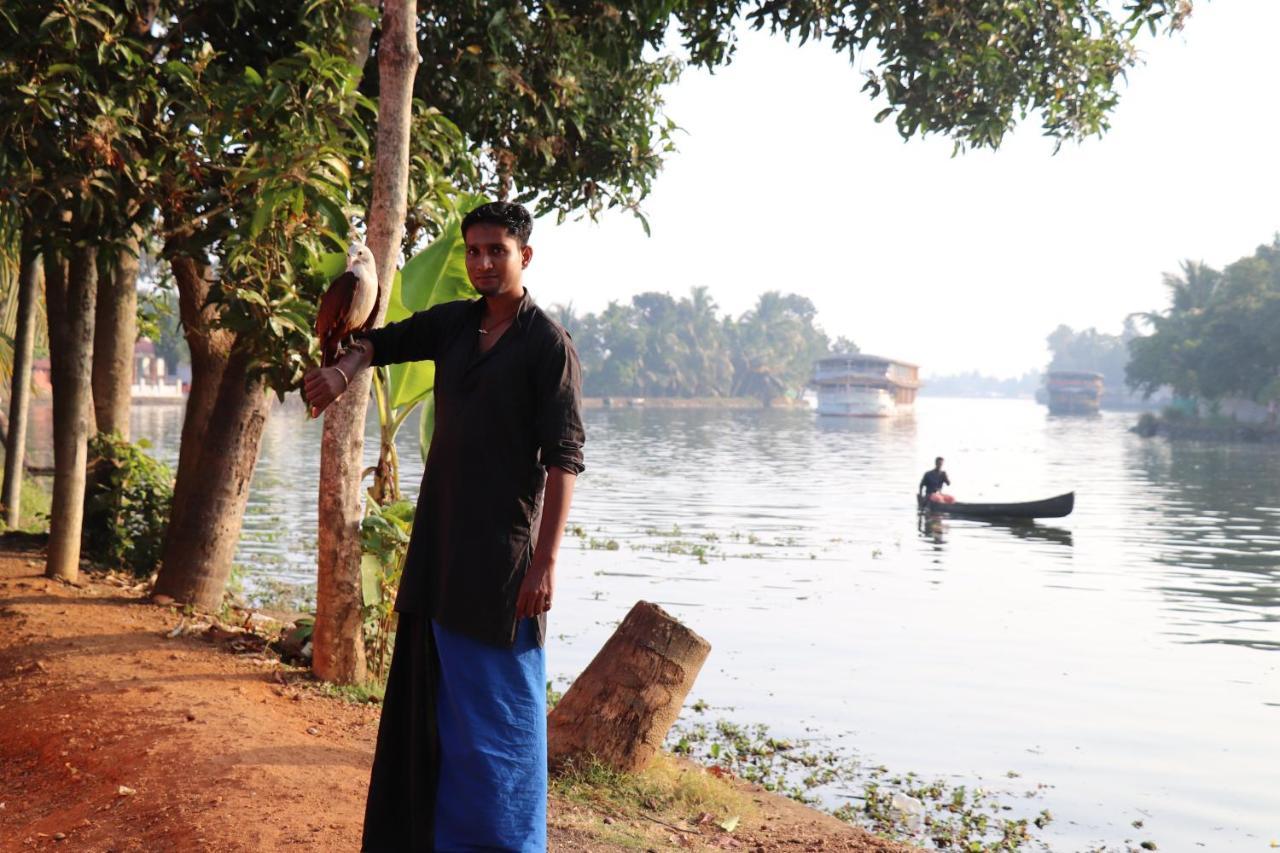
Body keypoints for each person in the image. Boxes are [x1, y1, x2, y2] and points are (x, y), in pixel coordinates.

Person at [303, 201, 585, 852]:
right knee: (441, 721)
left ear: (525, 257)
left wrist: (545, 565)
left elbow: (564, 460)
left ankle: (510, 843)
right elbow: (382, 341)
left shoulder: (548, 346)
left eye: (497, 251)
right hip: (440, 553)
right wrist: (342, 372)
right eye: (475, 250)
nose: (483, 262)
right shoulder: (456, 325)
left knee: (502, 726)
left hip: (503, 564)